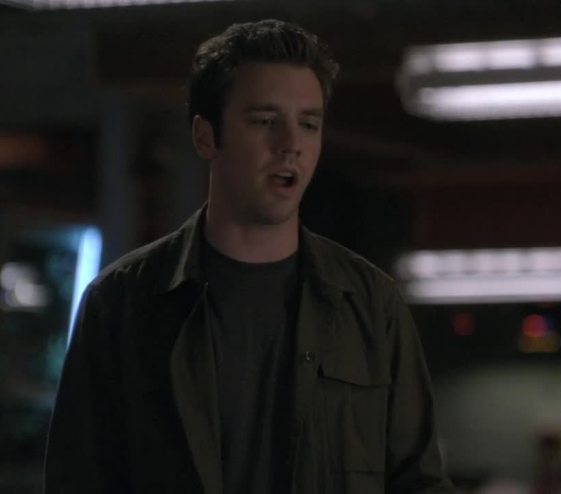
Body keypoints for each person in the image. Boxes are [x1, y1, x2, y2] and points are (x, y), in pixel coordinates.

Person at [44, 19, 453, 493]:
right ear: (206, 137)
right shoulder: (122, 304)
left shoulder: (370, 304)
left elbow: (419, 482)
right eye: (263, 121)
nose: (291, 144)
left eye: (308, 124)